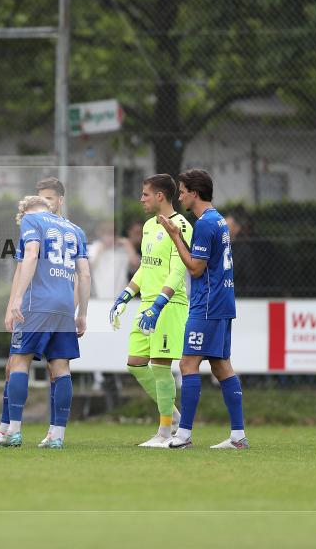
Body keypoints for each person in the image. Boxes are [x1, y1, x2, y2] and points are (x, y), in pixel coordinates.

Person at [0, 177, 86, 447]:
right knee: (61, 368)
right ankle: (57, 436)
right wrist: (82, 312)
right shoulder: (76, 230)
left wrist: (16, 300)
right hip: (64, 305)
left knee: (19, 361)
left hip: (36, 302)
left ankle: (12, 431)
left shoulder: (32, 221)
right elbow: (83, 273)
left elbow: (31, 255)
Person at [157, 169, 247, 449]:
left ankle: (183, 435)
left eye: (182, 191)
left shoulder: (205, 224)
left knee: (187, 364)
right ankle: (238, 436)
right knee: (221, 367)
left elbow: (196, 269)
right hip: (221, 301)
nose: (179, 195)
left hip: (207, 304)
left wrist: (174, 235)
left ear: (194, 194)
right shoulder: (218, 219)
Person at [110, 174, 190, 447]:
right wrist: (125, 294)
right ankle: (174, 417)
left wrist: (158, 304)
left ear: (159, 196)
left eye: (145, 194)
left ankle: (165, 432)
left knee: (160, 366)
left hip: (168, 306)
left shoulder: (180, 225)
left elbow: (179, 270)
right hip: (146, 305)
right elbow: (146, 266)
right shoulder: (147, 227)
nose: (141, 199)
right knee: (135, 363)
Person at [88, 220, 136, 299]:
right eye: (107, 234)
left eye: (112, 234)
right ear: (100, 234)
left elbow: (136, 266)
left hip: (120, 298)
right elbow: (86, 270)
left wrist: (128, 244)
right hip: (98, 299)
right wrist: (99, 250)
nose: (109, 237)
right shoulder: (94, 248)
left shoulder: (122, 250)